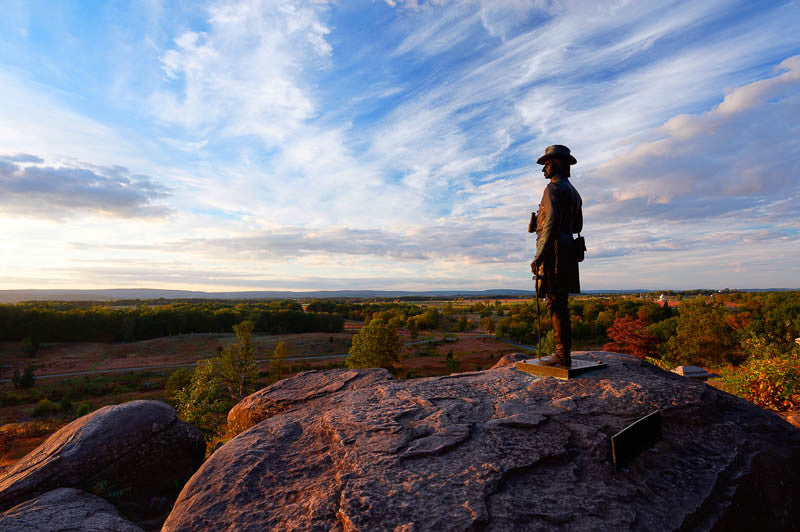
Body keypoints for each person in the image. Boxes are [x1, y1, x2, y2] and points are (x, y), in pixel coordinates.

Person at [530, 145, 583, 367]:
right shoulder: (573, 191)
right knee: (561, 304)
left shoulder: (552, 190)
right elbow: (578, 224)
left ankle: (562, 355)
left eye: (547, 165)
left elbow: (550, 223)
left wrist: (539, 255)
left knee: (556, 304)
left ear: (557, 164)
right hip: (568, 247)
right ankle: (563, 353)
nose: (544, 170)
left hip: (554, 250)